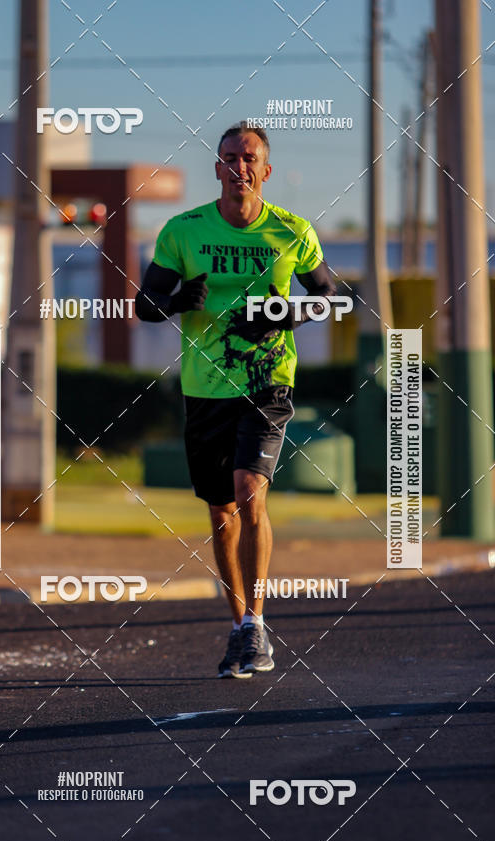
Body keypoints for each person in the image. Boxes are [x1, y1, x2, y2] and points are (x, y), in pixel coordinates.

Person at [135, 121, 336, 678]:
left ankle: (258, 626)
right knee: (222, 512)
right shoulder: (183, 230)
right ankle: (238, 626)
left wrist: (285, 312)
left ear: (265, 171)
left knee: (250, 494)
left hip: (267, 383)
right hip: (204, 388)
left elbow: (330, 299)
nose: (238, 167)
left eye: (248, 158)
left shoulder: (292, 232)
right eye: (228, 158)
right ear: (217, 168)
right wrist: (177, 299)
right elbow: (144, 305)